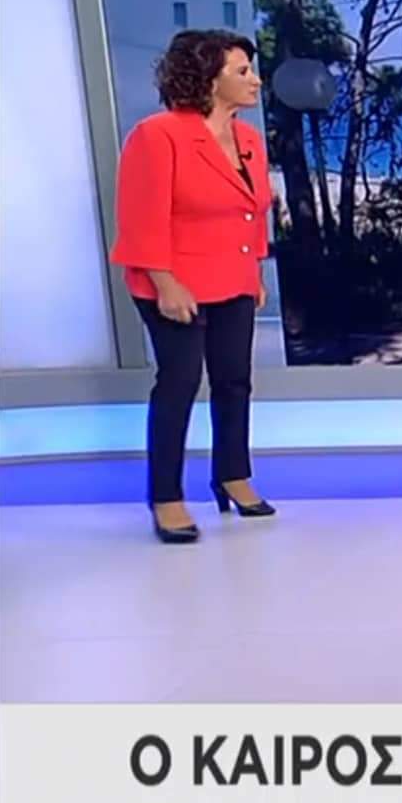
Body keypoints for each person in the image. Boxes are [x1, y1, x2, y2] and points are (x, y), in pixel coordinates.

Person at [109, 29, 278, 544]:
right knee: (180, 381)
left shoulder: (249, 141)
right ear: (208, 78)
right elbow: (141, 218)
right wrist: (165, 282)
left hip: (233, 277)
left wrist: (255, 272)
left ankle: (232, 475)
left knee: (234, 380)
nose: (255, 80)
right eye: (242, 71)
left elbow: (252, 212)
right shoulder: (157, 135)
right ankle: (166, 497)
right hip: (172, 281)